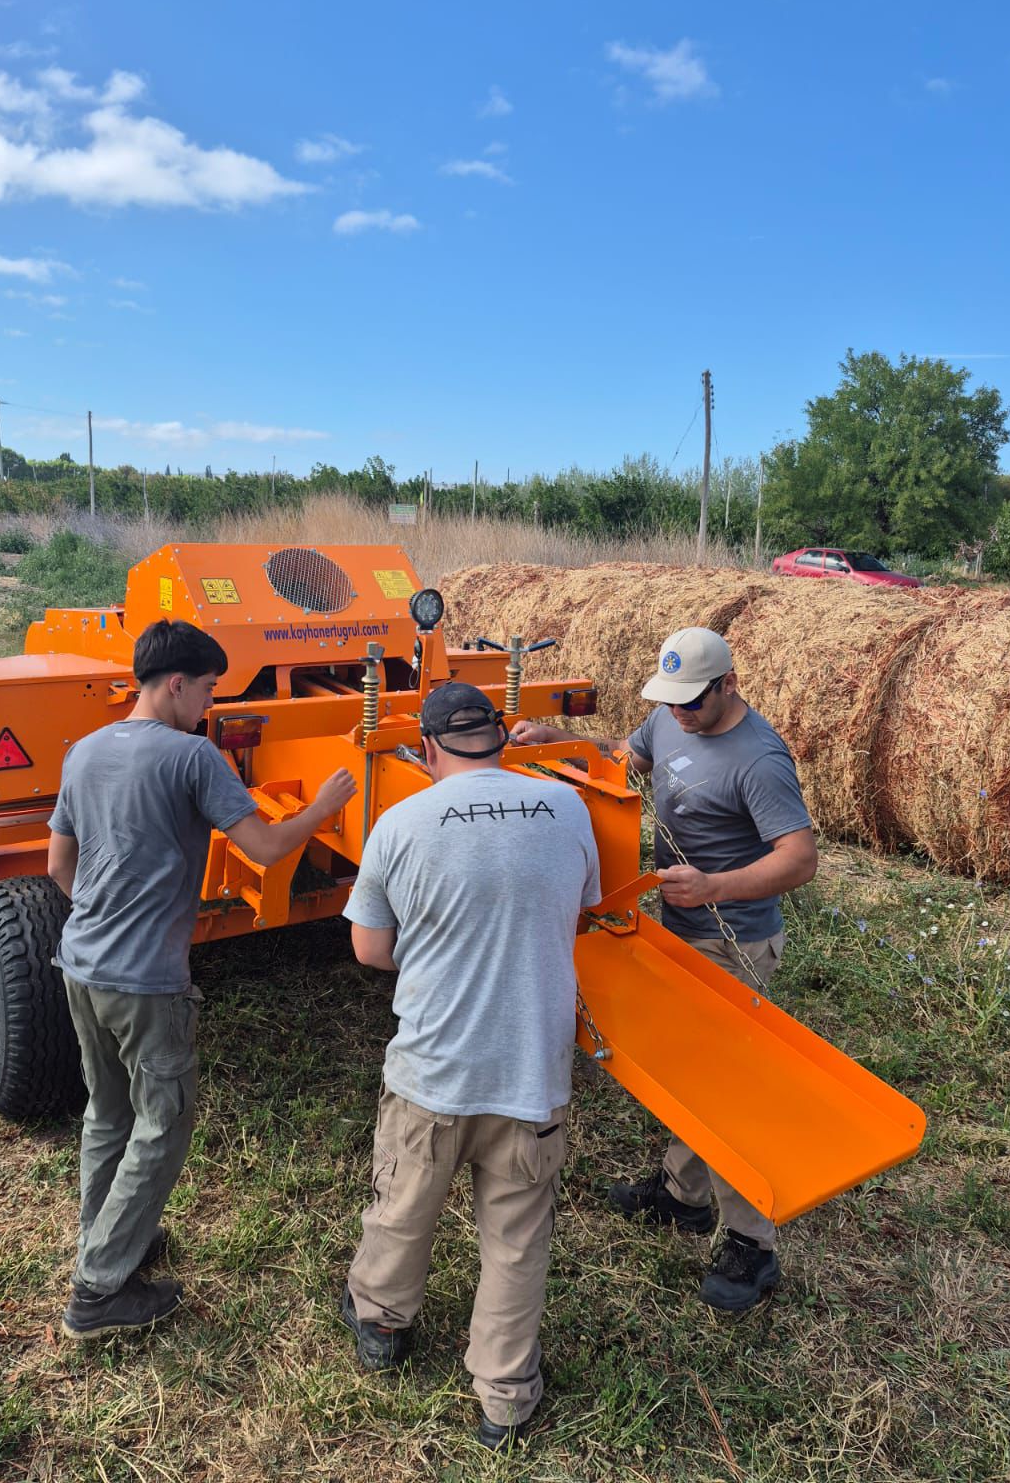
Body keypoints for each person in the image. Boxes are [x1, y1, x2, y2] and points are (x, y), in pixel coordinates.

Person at [48, 618, 356, 1340]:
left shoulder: (83, 752)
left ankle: (111, 1242)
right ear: (177, 683)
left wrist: (102, 916)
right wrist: (324, 809)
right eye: (211, 689)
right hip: (147, 981)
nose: (213, 704)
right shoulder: (193, 759)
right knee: (164, 1127)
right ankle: (96, 1293)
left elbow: (60, 866)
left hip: (81, 966)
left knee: (108, 1114)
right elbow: (270, 847)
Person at [512, 626, 816, 1312]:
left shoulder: (759, 759)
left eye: (693, 704)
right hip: (673, 927)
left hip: (732, 938)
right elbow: (625, 760)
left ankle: (754, 1245)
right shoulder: (668, 715)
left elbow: (799, 859)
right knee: (685, 1066)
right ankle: (683, 1197)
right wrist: (560, 743)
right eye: (671, 701)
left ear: (729, 685)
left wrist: (714, 887)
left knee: (726, 1087)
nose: (679, 714)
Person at [340, 682, 601, 1450]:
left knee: (403, 1205)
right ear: (500, 737)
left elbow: (370, 949)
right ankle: (505, 1399)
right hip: (533, 1075)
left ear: (425, 748)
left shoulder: (400, 823)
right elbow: (581, 912)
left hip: (434, 1070)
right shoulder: (567, 810)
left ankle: (383, 1325)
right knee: (517, 1241)